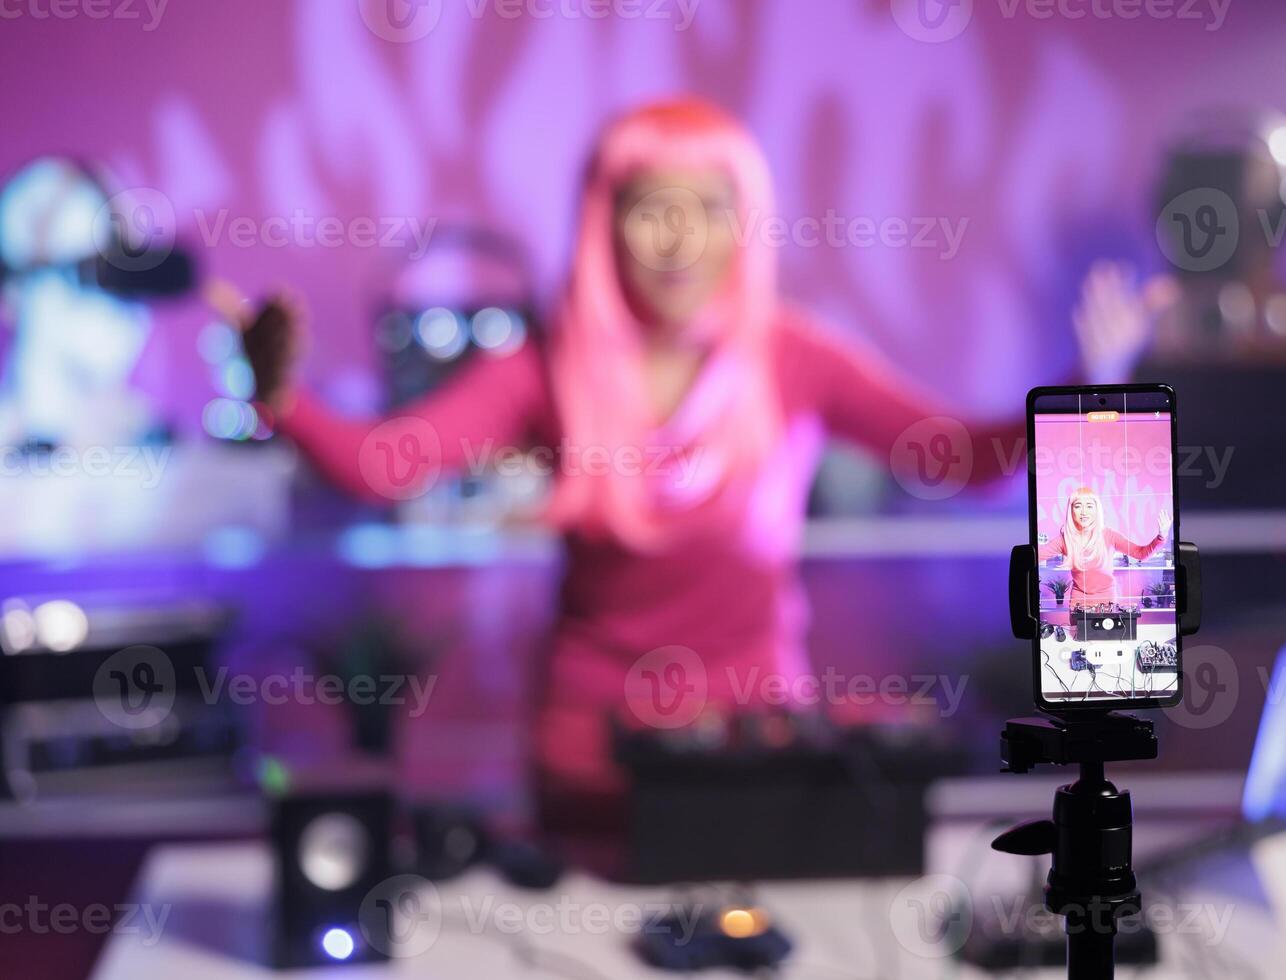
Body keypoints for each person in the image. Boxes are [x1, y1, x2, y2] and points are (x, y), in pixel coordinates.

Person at [227, 98, 1157, 821]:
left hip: (760, 747)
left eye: (709, 208)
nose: (680, 240)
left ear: (743, 221)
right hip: (589, 754)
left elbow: (958, 459)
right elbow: (386, 465)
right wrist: (280, 399)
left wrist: (1090, 387)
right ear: (605, 222)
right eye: (649, 209)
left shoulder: (795, 357)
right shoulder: (543, 367)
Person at [1039, 486, 1171, 608]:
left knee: (1107, 634)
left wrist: (1161, 536)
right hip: (1079, 601)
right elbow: (1037, 555)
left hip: (1108, 599)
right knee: (1081, 634)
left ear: (1097, 510)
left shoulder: (1110, 535)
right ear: (1071, 510)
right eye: (1078, 506)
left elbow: (1140, 553)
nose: (1084, 512)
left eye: (1089, 506)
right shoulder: (1065, 539)